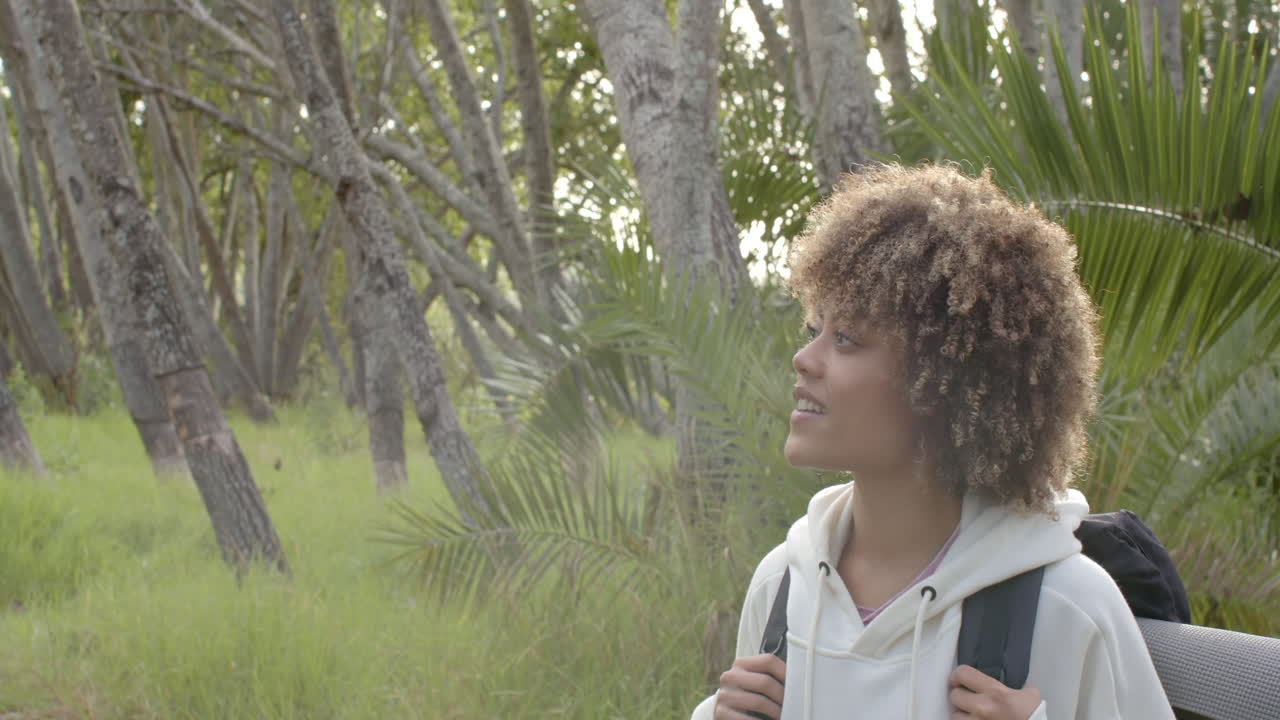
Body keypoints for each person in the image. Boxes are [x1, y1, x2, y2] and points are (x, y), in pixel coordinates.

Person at [690, 164, 1174, 720]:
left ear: (947, 382)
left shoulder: (1069, 606)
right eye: (813, 330)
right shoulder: (780, 587)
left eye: (846, 339)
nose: (804, 359)